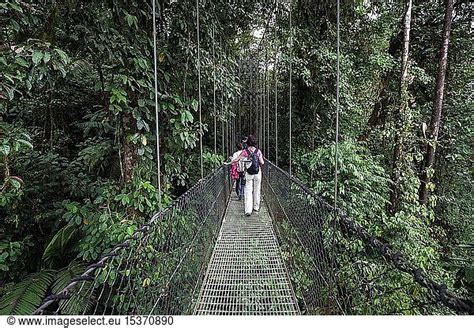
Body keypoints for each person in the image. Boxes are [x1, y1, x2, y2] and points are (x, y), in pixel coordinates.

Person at [227, 135, 264, 216]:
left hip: (249, 173)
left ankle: (248, 210)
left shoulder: (245, 151)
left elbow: (236, 159)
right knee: (257, 190)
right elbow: (262, 162)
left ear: (247, 143)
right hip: (257, 173)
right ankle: (256, 207)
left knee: (248, 191)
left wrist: (228, 163)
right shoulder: (258, 151)